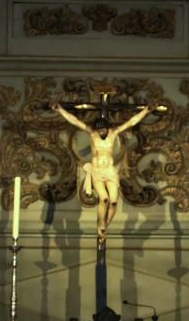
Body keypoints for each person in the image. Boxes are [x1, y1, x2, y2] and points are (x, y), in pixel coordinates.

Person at [51, 102, 155, 243]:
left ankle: (104, 226)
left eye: (103, 130)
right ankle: (100, 225)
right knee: (104, 198)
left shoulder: (113, 133)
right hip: (97, 172)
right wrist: (60, 110)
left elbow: (131, 122)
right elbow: (75, 121)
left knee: (113, 202)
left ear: (107, 128)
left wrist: (146, 110)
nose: (102, 133)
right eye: (99, 131)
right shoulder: (92, 133)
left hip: (110, 172)